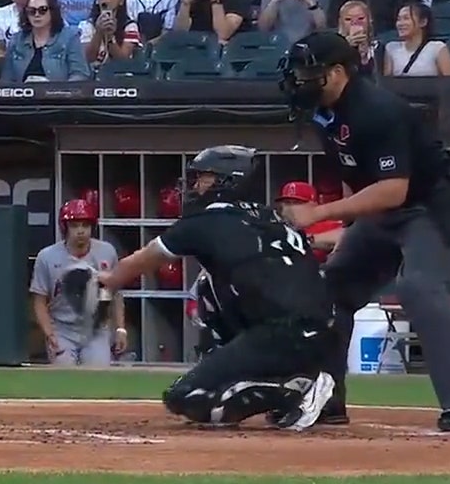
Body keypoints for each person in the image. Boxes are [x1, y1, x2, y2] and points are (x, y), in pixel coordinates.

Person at [278, 30, 450, 431]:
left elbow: (393, 189)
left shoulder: (378, 108)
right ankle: (325, 395)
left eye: (309, 72)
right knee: (330, 287)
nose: (300, 80)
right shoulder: (325, 112)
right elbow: (354, 174)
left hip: (430, 206)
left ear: (338, 72)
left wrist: (319, 214)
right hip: (383, 213)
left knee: (418, 286)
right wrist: (348, 229)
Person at [96, 145, 338, 430]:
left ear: (227, 181)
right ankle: (290, 380)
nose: (196, 185)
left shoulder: (207, 220)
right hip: (319, 333)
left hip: (283, 332)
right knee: (211, 287)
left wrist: (109, 281)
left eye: (204, 177)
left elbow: (146, 258)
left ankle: (295, 393)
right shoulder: (271, 217)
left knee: (185, 397)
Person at [31, 198, 126, 366]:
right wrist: (49, 334)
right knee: (64, 378)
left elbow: (116, 294)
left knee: (98, 378)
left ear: (92, 227)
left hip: (96, 329)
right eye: (75, 226)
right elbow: (39, 301)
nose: (80, 231)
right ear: (65, 228)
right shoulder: (46, 257)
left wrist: (120, 329)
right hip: (62, 328)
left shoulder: (107, 251)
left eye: (85, 225)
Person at [273, 182, 345, 266]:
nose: (290, 208)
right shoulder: (277, 227)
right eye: (287, 203)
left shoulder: (328, 225)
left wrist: (306, 240)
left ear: (313, 204)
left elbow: (345, 236)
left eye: (297, 202)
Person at [383, 2, 450, 77]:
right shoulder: (391, 48)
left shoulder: (437, 48)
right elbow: (387, 82)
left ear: (423, 22)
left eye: (406, 18)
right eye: (399, 19)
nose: (400, 23)